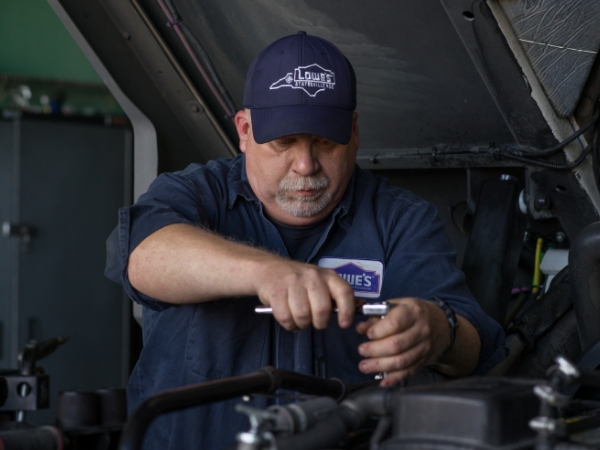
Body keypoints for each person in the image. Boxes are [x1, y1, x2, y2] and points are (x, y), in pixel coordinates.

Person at [107, 32, 505, 449]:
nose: (305, 164)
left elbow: (476, 347)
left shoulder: (400, 219)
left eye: (325, 142)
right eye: (283, 142)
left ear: (353, 132)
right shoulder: (193, 194)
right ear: (245, 130)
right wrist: (267, 272)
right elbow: (142, 255)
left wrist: (439, 330)